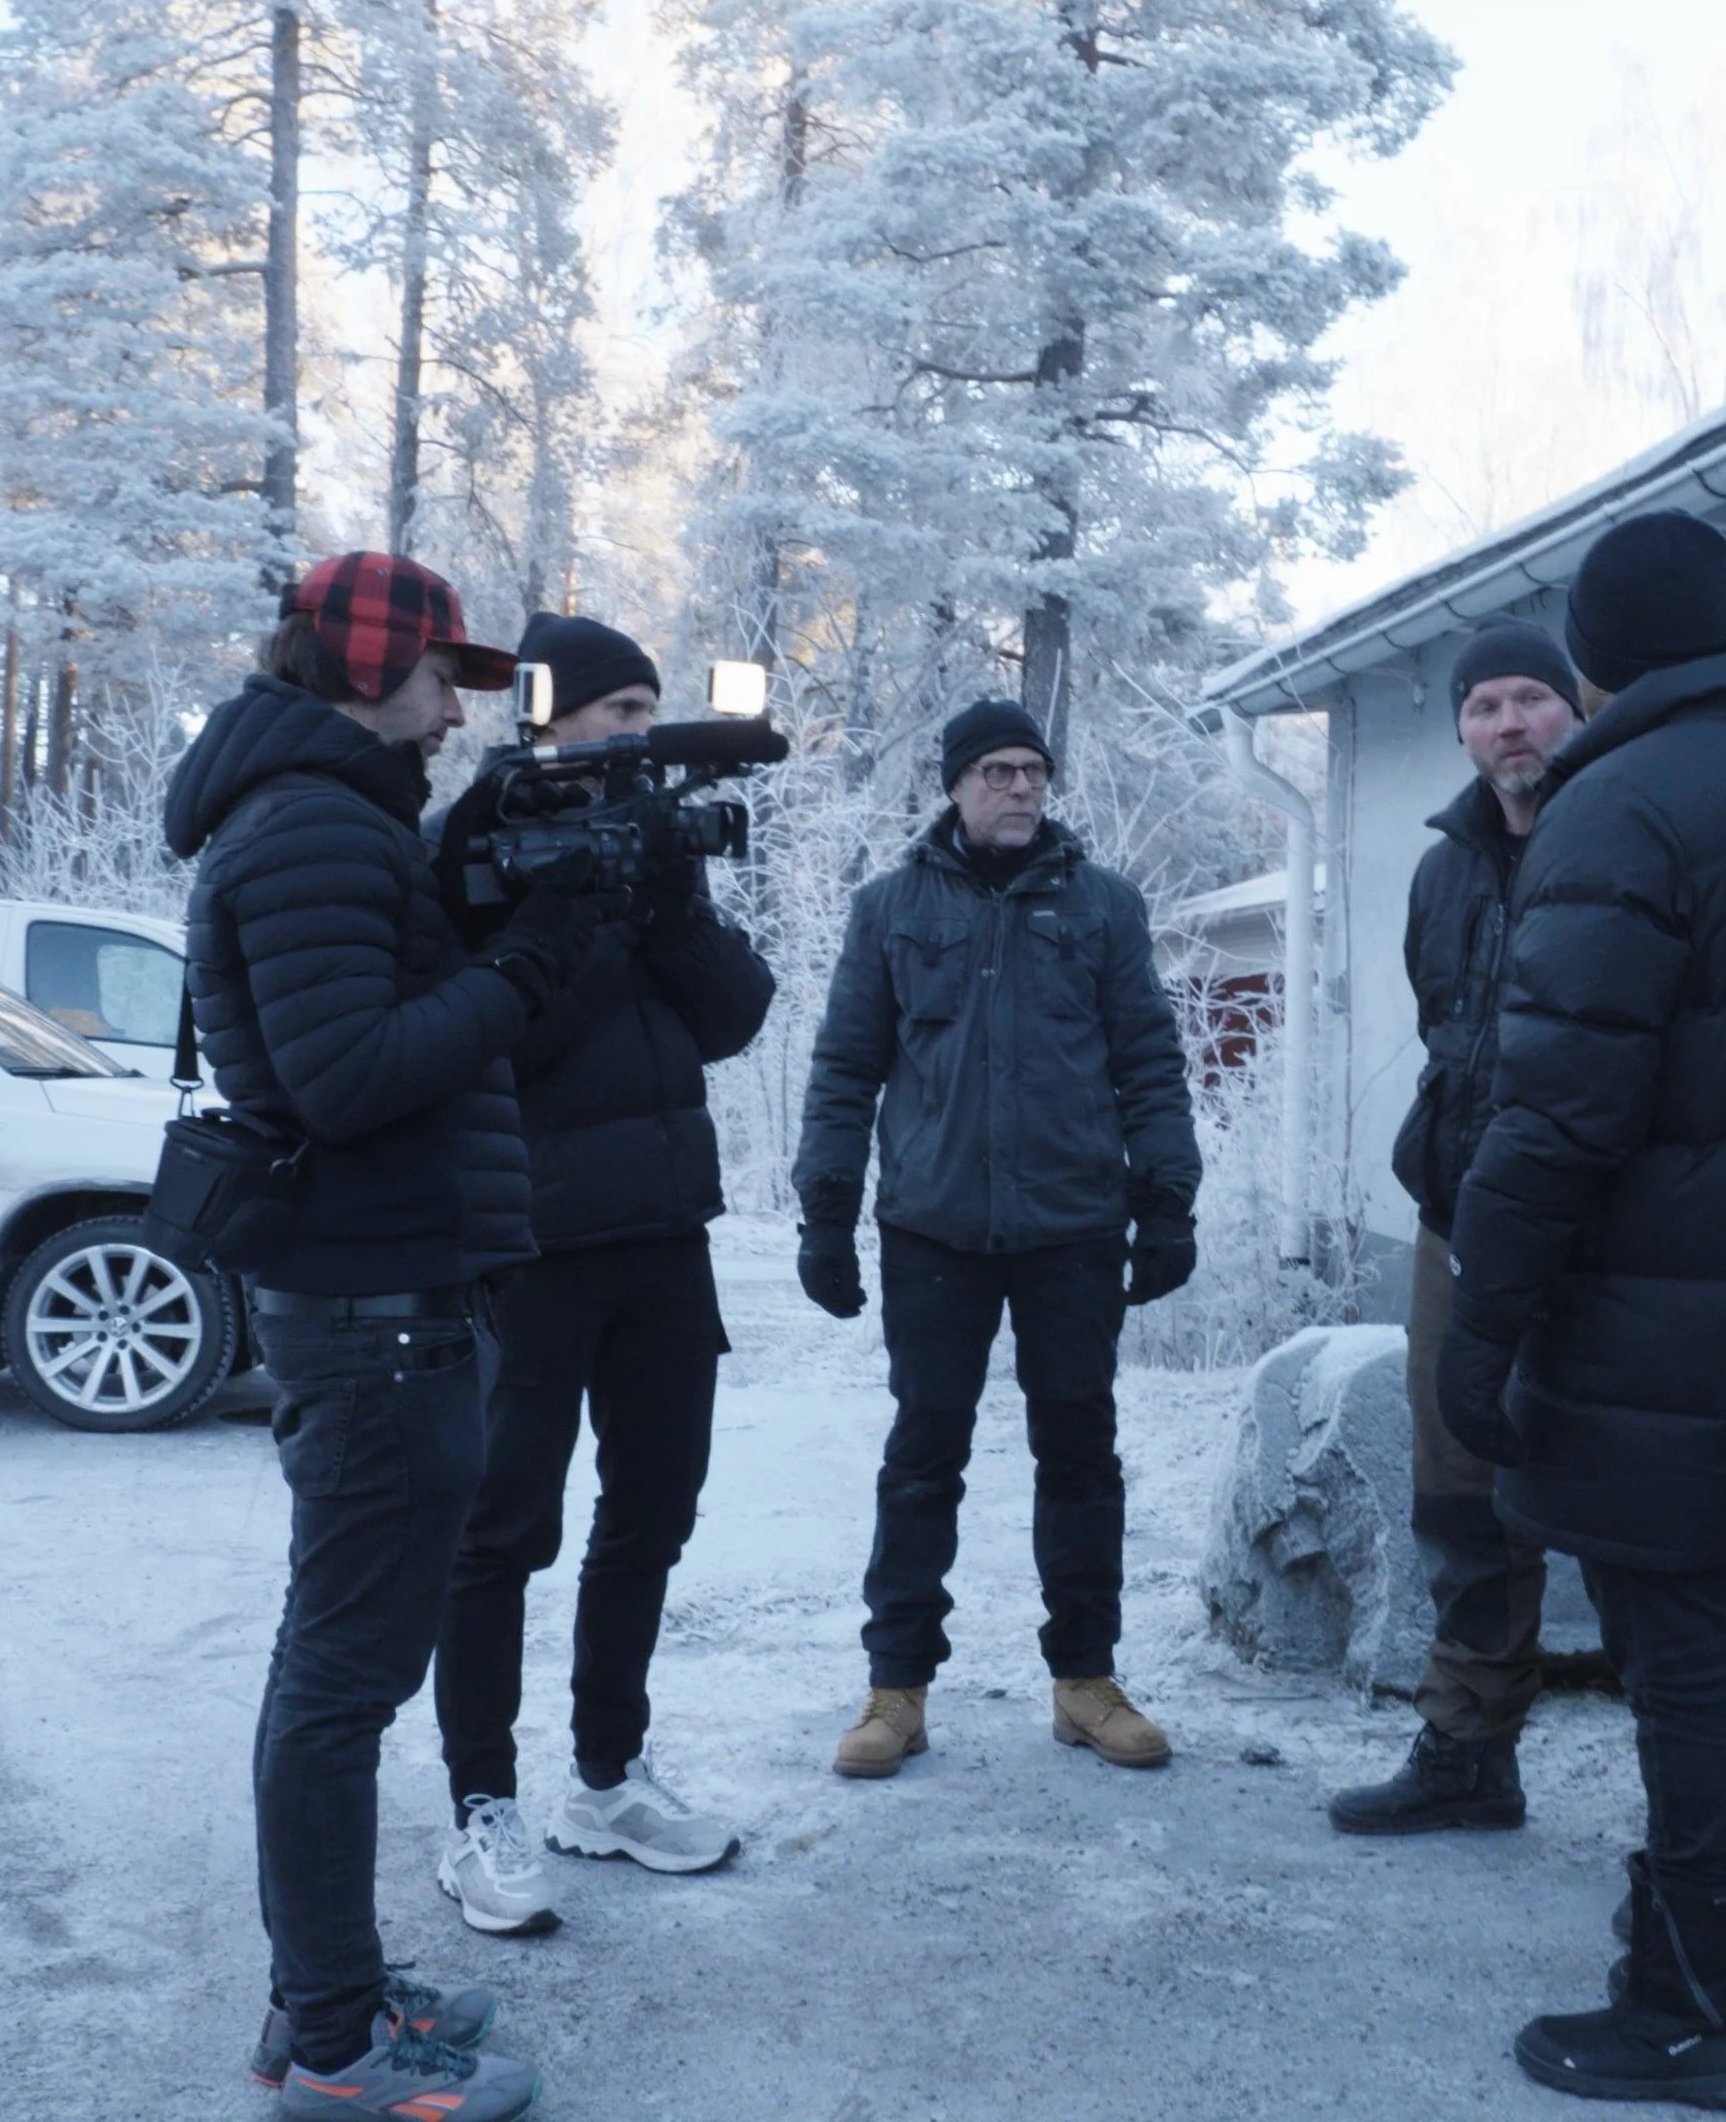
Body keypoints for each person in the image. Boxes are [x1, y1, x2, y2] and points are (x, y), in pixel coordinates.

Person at [1436, 511, 1726, 2110]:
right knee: (1698, 1638)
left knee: (1681, 1653)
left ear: (1595, 659)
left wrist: (1486, 1321)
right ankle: (1714, 1962)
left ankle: (1712, 2006)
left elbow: (1558, 1108)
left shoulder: (1618, 805)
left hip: (1653, 1313)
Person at [164, 552, 621, 2122]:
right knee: (343, 1685)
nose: (450, 709)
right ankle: (342, 2048)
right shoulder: (306, 829)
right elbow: (348, 1074)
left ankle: (328, 2001)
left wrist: (510, 924)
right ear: (364, 671)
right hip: (374, 1323)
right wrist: (517, 970)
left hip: (390, 1301)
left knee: (341, 1672)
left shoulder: (330, 821)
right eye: (436, 677)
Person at [425, 612, 776, 1938]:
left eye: (650, 712)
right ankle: (482, 1806)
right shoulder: (482, 843)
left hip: (662, 1235)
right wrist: (576, 910)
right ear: (547, 718)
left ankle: (607, 1777)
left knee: (653, 1510)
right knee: (503, 1528)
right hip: (528, 1242)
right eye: (617, 715)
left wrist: (664, 898)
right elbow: (495, 1040)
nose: (643, 736)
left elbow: (735, 1015)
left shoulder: (643, 849)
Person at [791, 699, 1200, 1777]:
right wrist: (828, 1210)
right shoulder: (888, 910)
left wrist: (1167, 1200)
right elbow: (844, 1068)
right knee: (922, 1457)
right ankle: (896, 1693)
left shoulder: (1104, 908)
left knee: (1079, 1454)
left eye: (1034, 772)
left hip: (1071, 1223)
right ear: (956, 785)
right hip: (932, 1227)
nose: (1020, 789)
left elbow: (1149, 1062)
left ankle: (1085, 1682)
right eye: (998, 773)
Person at [1327, 620, 1584, 1837]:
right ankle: (1469, 1750)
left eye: (1533, 697)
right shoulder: (1445, 866)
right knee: (1459, 1489)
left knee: (1625, 1494)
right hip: (1460, 1217)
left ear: (1574, 712)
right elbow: (1452, 1039)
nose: (1510, 724)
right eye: (1485, 705)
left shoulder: (1618, 836)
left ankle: (1696, 1801)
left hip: (1603, 1236)